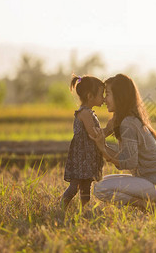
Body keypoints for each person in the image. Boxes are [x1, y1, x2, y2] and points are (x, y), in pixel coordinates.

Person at [90, 74, 156, 208]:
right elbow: (101, 138)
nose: (104, 99)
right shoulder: (126, 119)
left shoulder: (128, 123)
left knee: (100, 188)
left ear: (119, 96)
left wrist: (103, 149)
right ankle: (148, 205)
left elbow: (129, 162)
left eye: (108, 94)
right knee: (99, 183)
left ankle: (147, 206)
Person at [60, 74, 110, 211]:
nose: (104, 98)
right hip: (82, 157)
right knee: (75, 185)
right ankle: (61, 207)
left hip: (86, 157)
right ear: (90, 96)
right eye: (101, 94)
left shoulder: (88, 112)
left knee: (86, 185)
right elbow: (94, 134)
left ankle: (85, 210)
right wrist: (109, 130)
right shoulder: (85, 113)